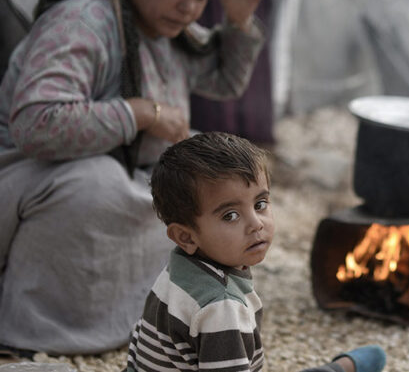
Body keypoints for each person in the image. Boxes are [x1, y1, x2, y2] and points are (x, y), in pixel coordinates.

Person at [0, 0, 267, 354]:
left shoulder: (165, 31)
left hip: (90, 179)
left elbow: (224, 80)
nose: (189, 6)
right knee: (98, 188)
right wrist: (143, 113)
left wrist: (238, 20)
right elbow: (36, 125)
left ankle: (137, 319)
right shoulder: (80, 22)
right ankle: (41, 326)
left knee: (195, 197)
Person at [126, 132, 387, 372]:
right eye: (230, 215)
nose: (256, 224)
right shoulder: (221, 306)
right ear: (186, 236)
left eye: (260, 204)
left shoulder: (179, 266)